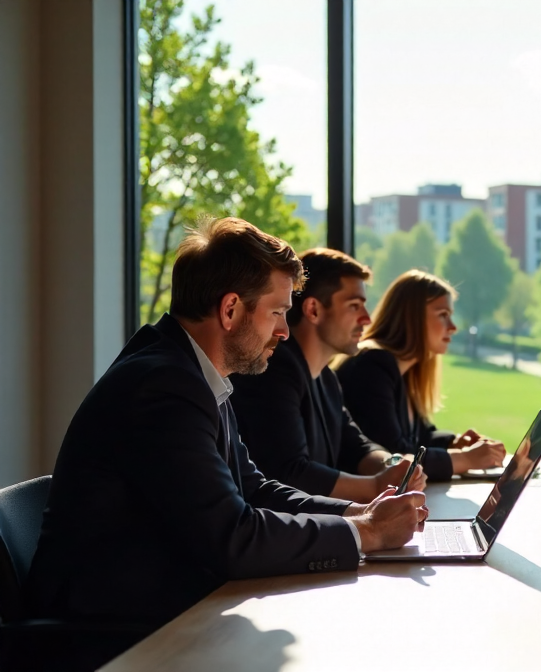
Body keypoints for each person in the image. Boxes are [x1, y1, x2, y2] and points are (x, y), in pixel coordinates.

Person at [23, 218, 428, 665]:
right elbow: (232, 538)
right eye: (276, 312)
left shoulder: (191, 373)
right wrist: (367, 533)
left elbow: (254, 489)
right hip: (108, 637)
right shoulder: (164, 386)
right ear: (231, 309)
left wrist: (358, 512)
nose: (285, 331)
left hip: (159, 611)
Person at [230, 248, 427, 503]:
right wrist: (377, 487)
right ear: (313, 310)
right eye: (354, 306)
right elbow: (289, 473)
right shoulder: (273, 370)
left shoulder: (325, 377)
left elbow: (356, 446)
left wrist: (393, 465)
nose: (366, 319)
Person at [335, 270, 505, 480]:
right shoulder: (373, 364)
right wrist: (465, 459)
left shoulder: (403, 369)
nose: (452, 327)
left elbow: (421, 436)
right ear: (411, 316)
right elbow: (393, 456)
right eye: (443, 315)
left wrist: (454, 441)